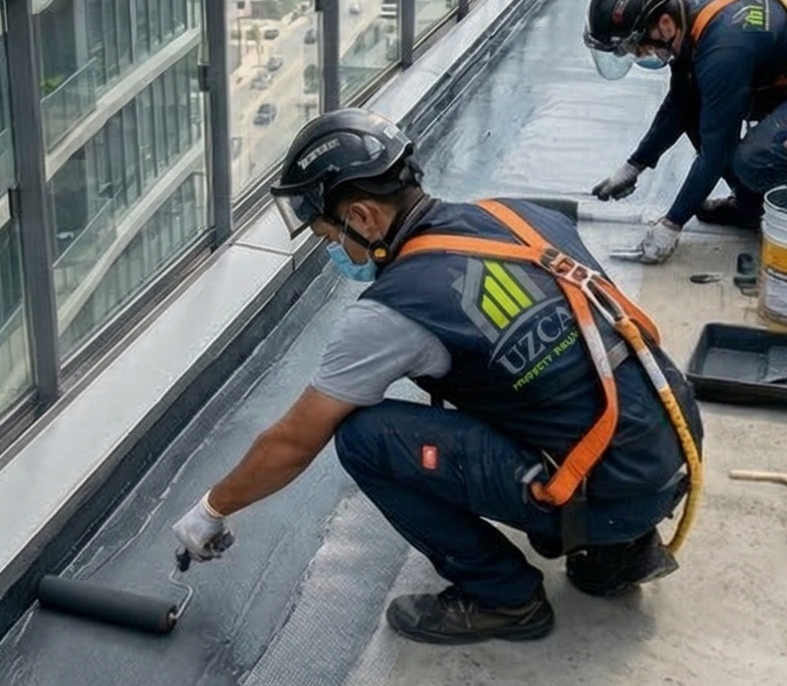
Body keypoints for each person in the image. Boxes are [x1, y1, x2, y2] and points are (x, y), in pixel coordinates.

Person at [170, 109, 700, 645]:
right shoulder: (517, 216)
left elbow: (291, 442)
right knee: (539, 380)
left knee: (364, 438)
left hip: (609, 494)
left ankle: (505, 598)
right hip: (670, 449)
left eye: (330, 235)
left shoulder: (394, 310)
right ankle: (622, 550)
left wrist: (212, 508)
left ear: (365, 217)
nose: (334, 250)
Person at [584, 0, 787, 263]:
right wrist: (635, 165)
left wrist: (670, 226)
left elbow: (716, 153)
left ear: (664, 24)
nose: (639, 54)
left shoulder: (723, 49)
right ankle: (750, 206)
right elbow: (681, 101)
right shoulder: (688, 17)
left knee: (752, 159)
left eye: (636, 46)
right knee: (699, 107)